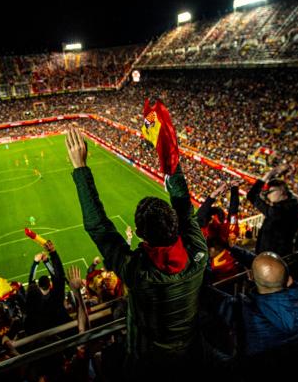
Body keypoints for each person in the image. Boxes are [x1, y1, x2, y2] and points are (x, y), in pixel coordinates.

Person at [65, 127, 208, 380]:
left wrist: (80, 167)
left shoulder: (138, 272)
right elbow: (184, 206)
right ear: (175, 222)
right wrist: (169, 157)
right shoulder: (198, 253)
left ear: (141, 234)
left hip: (146, 364)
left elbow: (98, 227)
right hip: (189, 355)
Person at [246, 166, 298, 256]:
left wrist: (269, 174)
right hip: (278, 256)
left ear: (280, 191)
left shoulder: (277, 211)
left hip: (272, 259)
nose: (268, 195)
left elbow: (251, 195)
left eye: (270, 192)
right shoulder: (295, 205)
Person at [24, 240, 70, 335]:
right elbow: (59, 277)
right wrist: (50, 257)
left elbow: (31, 285)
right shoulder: (57, 297)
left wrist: (35, 263)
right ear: (50, 284)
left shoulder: (36, 303)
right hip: (64, 332)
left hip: (45, 334)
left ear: (38, 286)